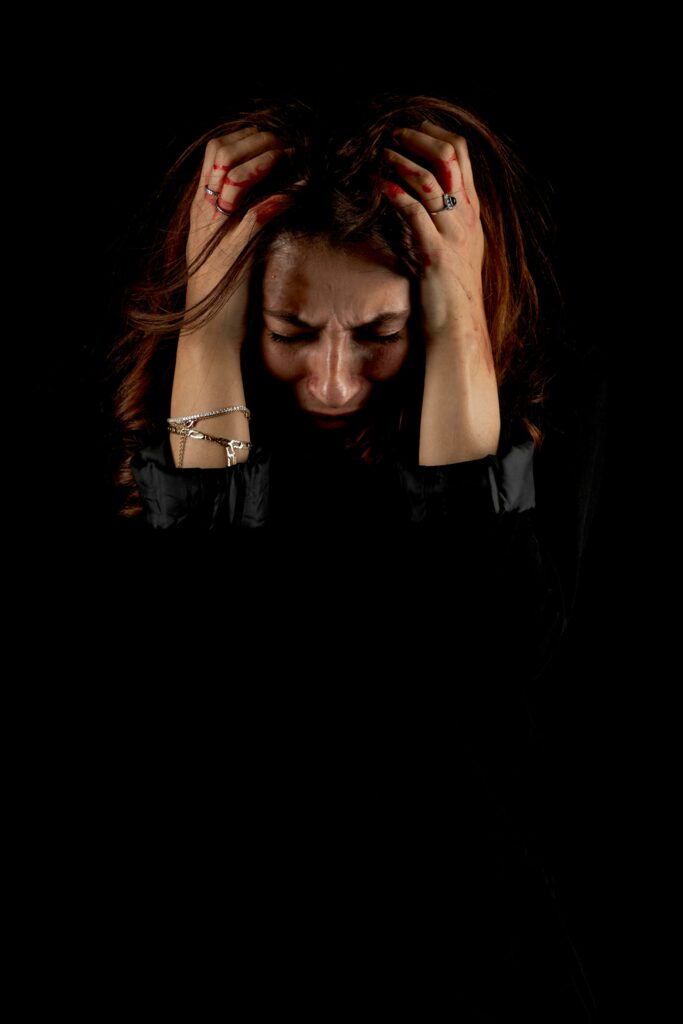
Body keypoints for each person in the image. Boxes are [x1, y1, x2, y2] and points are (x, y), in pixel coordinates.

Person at [110, 92, 605, 1018]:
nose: (332, 382)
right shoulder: (183, 416)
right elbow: (201, 640)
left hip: (471, 967)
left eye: (379, 335)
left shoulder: (550, 421)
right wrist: (208, 320)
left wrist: (459, 315)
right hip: (229, 957)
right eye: (290, 332)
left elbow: (494, 662)